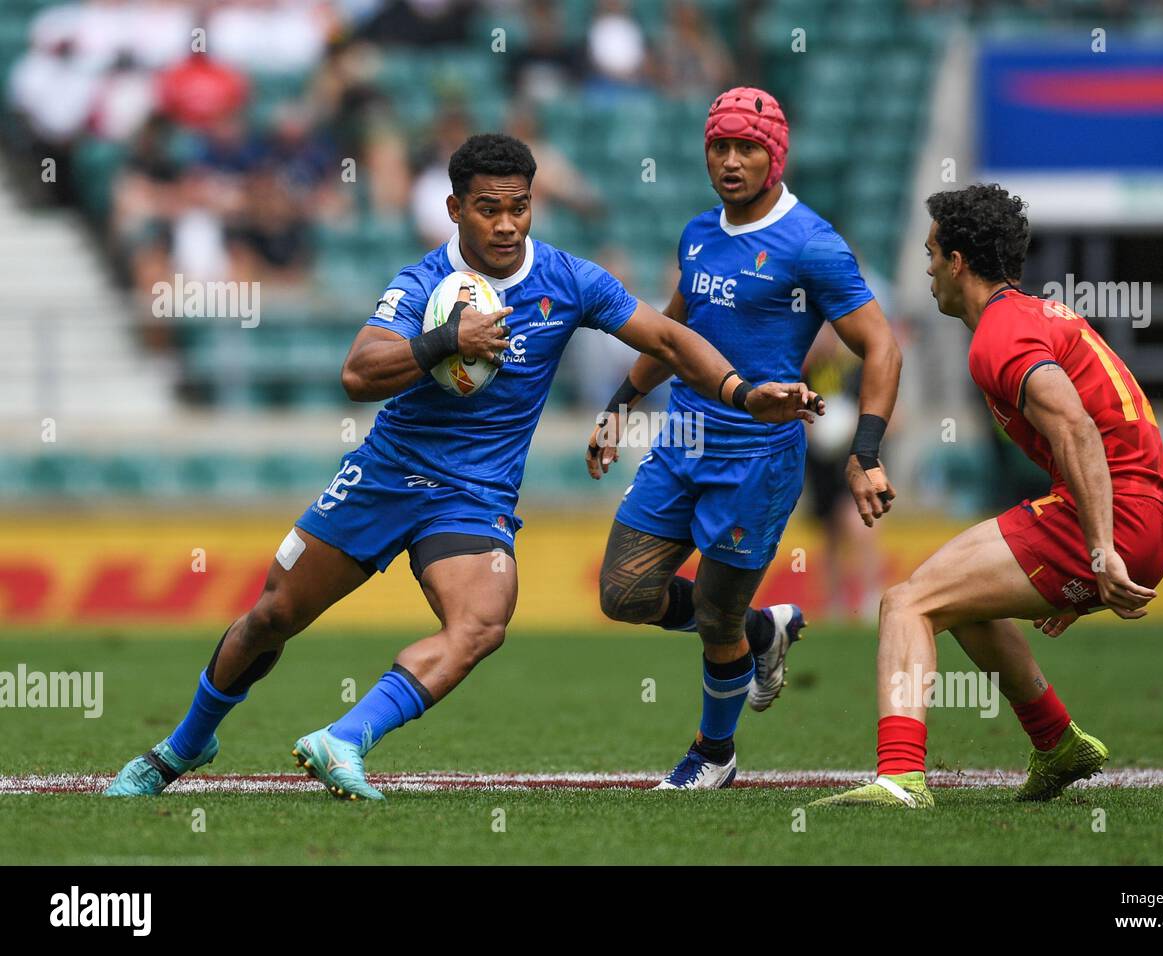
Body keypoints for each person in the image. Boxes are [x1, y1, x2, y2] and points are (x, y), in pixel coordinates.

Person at [105, 133, 821, 801]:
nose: (507, 225)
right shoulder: (423, 283)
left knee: (481, 625)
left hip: (472, 499)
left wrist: (740, 392)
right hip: (386, 475)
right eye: (488, 209)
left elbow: (667, 334)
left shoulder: (567, 280)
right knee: (272, 616)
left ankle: (344, 739)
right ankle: (180, 749)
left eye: (519, 208)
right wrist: (448, 338)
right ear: (455, 209)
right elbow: (358, 372)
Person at [815, 184, 1163, 809]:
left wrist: (1098, 549)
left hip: (1116, 515)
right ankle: (1057, 742)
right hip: (1137, 512)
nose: (926, 269)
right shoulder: (1036, 316)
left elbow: (1076, 428)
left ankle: (899, 778)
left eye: (932, 254)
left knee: (907, 602)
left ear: (957, 262)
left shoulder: (999, 336)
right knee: (958, 599)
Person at [588, 88, 902, 790]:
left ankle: (714, 755)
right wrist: (620, 405)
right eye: (719, 147)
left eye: (747, 148)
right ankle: (766, 631)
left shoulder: (812, 244)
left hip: (757, 460)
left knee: (714, 618)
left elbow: (882, 346)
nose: (730, 162)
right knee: (622, 592)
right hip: (680, 443)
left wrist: (867, 453)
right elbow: (670, 334)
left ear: (775, 155)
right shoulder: (698, 233)